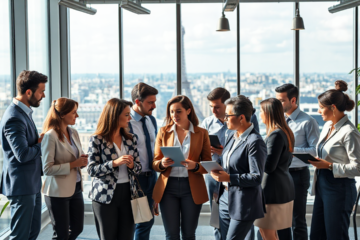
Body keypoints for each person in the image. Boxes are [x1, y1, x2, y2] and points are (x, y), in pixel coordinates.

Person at [201, 88, 259, 240]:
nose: (225, 119)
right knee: (218, 225)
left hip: (238, 191)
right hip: (221, 187)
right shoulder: (231, 135)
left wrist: (228, 176)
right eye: (211, 107)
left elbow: (255, 174)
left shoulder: (251, 137)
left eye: (227, 114)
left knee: (240, 233)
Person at [152, 95, 212, 240]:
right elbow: (155, 162)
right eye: (171, 112)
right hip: (168, 188)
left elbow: (207, 164)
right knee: (171, 234)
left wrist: (195, 166)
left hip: (191, 188)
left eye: (178, 111)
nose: (174, 115)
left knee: (189, 234)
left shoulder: (201, 133)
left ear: (189, 110)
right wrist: (162, 163)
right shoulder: (163, 132)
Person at [308, 80, 360, 240]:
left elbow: (358, 168)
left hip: (340, 189)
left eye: (321, 107)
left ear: (333, 108)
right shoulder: (327, 126)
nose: (318, 111)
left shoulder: (349, 132)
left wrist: (329, 166)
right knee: (316, 235)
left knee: (336, 235)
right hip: (323, 187)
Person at [0, 70, 47, 240]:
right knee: (20, 236)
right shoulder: (14, 117)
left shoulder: (23, 113)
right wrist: (41, 144)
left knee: (32, 232)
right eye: (41, 91)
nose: (43, 95)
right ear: (29, 92)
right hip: (22, 185)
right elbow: (23, 154)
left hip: (31, 183)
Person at [87, 98, 142, 240]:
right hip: (104, 196)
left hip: (129, 194)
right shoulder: (97, 139)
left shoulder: (131, 139)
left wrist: (132, 166)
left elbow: (138, 168)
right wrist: (114, 163)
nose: (130, 118)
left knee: (127, 237)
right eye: (126, 115)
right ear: (114, 116)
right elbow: (91, 170)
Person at [275, 83, 320, 240]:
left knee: (297, 220)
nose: (277, 104)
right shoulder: (277, 121)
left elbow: (314, 151)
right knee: (280, 220)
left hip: (297, 176)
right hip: (280, 175)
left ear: (293, 100)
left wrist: (288, 151)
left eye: (280, 101)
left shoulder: (308, 122)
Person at [41, 98, 88, 240]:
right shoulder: (50, 136)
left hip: (76, 188)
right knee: (61, 234)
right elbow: (47, 169)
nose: (77, 116)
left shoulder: (74, 132)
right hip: (57, 192)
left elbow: (76, 157)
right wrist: (74, 164)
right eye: (74, 113)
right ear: (62, 115)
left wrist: (82, 162)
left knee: (78, 228)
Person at [254, 98, 295, 240]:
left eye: (261, 111)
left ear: (268, 113)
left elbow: (269, 166)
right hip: (281, 186)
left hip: (272, 190)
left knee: (267, 234)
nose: (259, 115)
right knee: (270, 233)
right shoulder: (285, 131)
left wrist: (253, 156)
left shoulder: (275, 135)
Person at [129, 83, 158, 240]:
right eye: (150, 102)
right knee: (132, 223)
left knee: (147, 221)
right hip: (134, 179)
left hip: (151, 178)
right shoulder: (126, 123)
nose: (154, 106)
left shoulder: (151, 120)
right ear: (138, 102)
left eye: (154, 101)